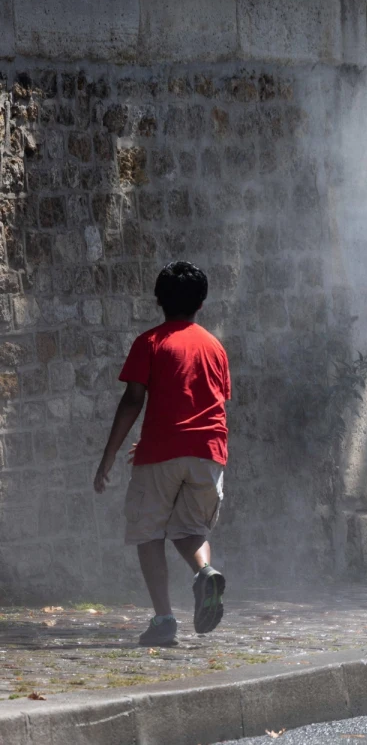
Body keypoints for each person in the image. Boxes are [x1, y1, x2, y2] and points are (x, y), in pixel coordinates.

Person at [93, 261, 231, 646]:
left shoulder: (150, 343)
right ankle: (205, 573)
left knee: (147, 531)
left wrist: (108, 458)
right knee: (190, 530)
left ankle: (164, 619)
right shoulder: (215, 348)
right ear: (201, 304)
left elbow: (133, 401)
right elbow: (210, 405)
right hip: (209, 453)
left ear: (158, 301)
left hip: (161, 455)